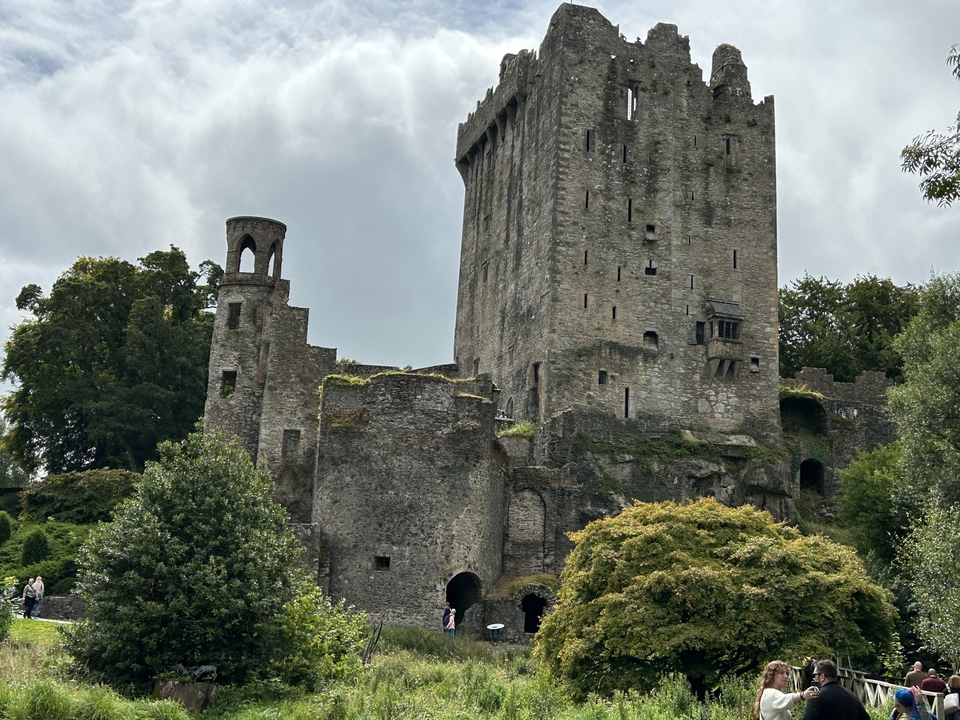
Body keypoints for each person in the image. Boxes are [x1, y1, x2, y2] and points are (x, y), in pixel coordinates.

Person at [803, 660, 870, 720]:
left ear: (822, 677)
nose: (814, 678)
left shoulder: (816, 696)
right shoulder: (852, 696)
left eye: (814, 675)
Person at [754, 660, 820, 720]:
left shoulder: (768, 693)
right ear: (771, 676)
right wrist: (802, 695)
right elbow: (786, 699)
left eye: (786, 673)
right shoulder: (771, 694)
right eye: (781, 673)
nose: (786, 676)